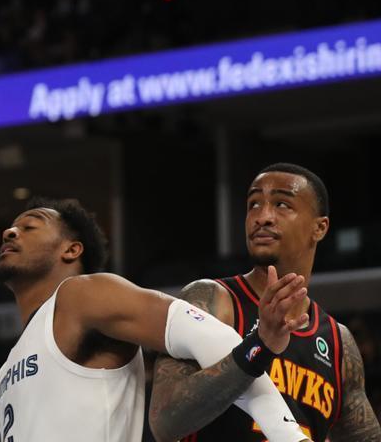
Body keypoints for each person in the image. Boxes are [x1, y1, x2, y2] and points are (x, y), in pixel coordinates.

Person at [0, 197, 315, 442]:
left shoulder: (81, 296)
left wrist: (288, 435)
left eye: (29, 226)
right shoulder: (4, 371)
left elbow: (206, 334)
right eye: (12, 228)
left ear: (71, 250)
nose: (9, 232)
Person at [150, 163, 381, 441]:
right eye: (254, 204)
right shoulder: (211, 300)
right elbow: (165, 423)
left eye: (282, 204)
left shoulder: (338, 342)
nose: (263, 216)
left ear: (319, 227)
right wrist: (259, 346)